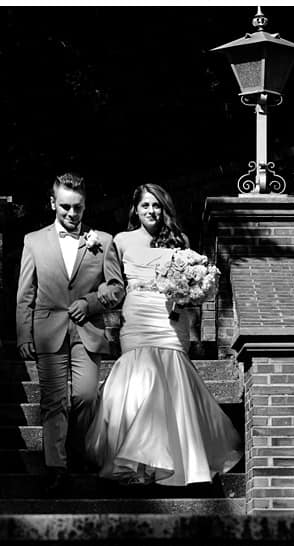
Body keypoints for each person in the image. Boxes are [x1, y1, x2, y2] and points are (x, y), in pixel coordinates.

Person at [85, 183, 243, 485]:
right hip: (137, 316)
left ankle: (176, 460)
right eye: (145, 205)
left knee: (169, 378)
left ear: (164, 209)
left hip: (169, 318)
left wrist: (195, 292)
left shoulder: (178, 242)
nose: (151, 211)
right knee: (140, 380)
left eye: (156, 205)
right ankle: (136, 462)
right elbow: (115, 284)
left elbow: (192, 284)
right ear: (136, 209)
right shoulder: (121, 241)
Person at [15, 172, 122, 494]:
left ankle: (78, 450)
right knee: (53, 401)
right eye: (65, 207)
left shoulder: (103, 241)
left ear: (85, 205)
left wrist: (90, 303)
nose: (72, 214)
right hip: (48, 331)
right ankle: (56, 467)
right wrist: (23, 336)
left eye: (77, 208)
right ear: (52, 203)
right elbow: (25, 293)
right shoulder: (33, 241)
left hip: (88, 330)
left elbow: (116, 288)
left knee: (86, 396)